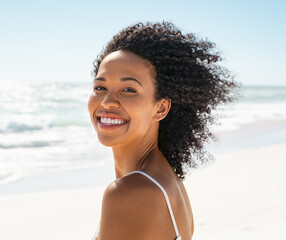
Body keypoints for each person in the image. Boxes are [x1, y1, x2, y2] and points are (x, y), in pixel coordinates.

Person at [88, 21, 237, 240]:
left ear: (161, 108)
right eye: (100, 87)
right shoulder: (166, 181)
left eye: (129, 89)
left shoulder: (131, 192)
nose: (108, 102)